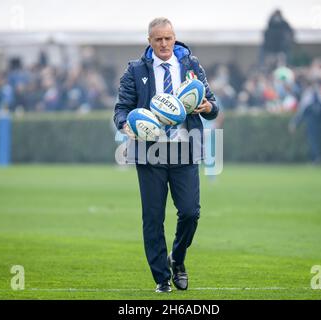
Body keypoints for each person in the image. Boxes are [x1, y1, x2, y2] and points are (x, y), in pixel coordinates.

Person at [113, 17, 219, 293]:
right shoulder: (135, 71)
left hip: (185, 150)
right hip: (150, 153)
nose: (163, 44)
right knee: (153, 217)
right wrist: (125, 124)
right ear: (149, 41)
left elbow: (213, 106)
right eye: (158, 39)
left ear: (174, 38)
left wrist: (207, 106)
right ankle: (162, 278)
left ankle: (178, 259)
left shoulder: (191, 66)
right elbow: (121, 109)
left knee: (190, 212)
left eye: (168, 38)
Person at [289, 79, 321, 164]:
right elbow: (301, 113)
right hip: (311, 125)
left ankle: (318, 158)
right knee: (313, 141)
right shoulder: (308, 100)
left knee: (318, 142)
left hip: (320, 124)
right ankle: (316, 158)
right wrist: (294, 123)